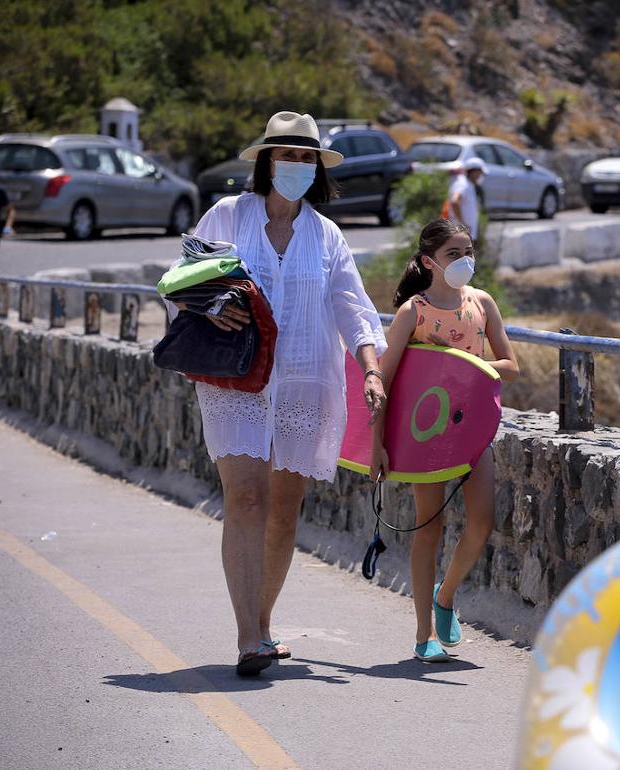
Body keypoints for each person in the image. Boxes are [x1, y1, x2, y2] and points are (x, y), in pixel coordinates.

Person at [189, 111, 389, 676]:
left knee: (284, 508)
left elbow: (353, 305)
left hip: (304, 378)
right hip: (238, 379)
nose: (296, 165)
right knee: (246, 498)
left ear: (317, 168)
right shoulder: (228, 215)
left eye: (306, 157)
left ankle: (265, 624)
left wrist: (371, 369)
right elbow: (180, 282)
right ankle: (248, 637)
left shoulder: (327, 235)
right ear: (265, 161)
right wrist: (211, 306)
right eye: (287, 155)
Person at [369, 218, 519, 662]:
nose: (464, 261)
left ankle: (446, 595)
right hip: (425, 437)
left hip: (472, 430)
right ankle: (423, 634)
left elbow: (510, 363)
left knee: (482, 522)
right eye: (454, 254)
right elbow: (385, 380)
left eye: (468, 252)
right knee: (428, 527)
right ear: (428, 261)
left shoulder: (482, 303)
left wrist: (465, 366)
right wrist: (375, 444)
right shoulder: (412, 313)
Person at [448, 157, 486, 240]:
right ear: (474, 172)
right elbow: (454, 202)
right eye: (480, 173)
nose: (480, 176)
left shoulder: (469, 184)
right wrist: (462, 224)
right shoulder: (462, 184)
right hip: (460, 234)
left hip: (466, 234)